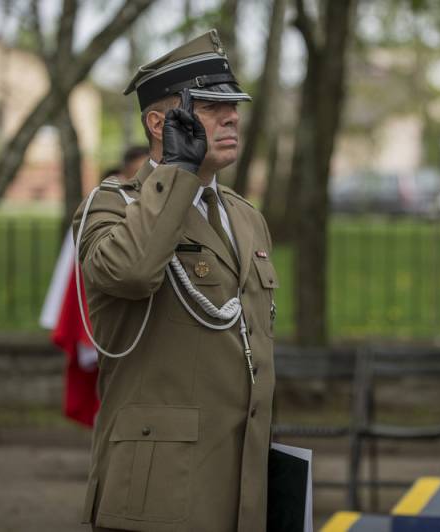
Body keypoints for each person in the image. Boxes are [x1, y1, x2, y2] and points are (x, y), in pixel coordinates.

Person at [73, 29, 278, 532]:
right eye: (210, 106)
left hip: (239, 486)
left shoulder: (245, 216)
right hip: (158, 492)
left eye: (233, 105)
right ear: (159, 123)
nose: (231, 117)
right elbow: (132, 271)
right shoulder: (110, 207)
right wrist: (177, 169)